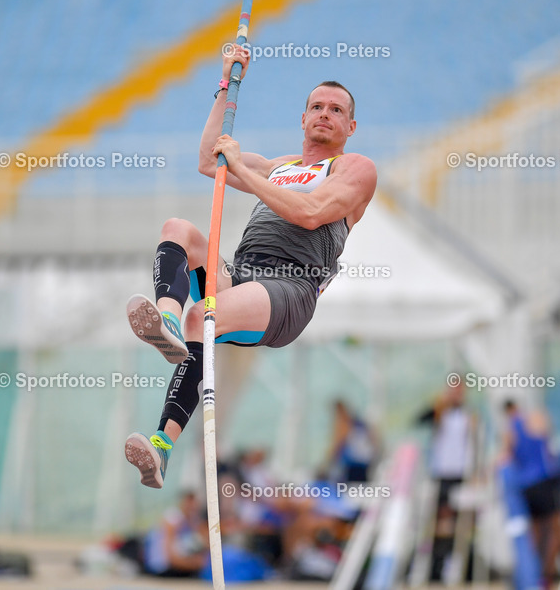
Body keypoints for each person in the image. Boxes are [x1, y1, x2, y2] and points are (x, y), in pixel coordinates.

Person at [124, 43, 377, 488]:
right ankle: (165, 320)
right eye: (316, 106)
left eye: (335, 110)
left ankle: (162, 445)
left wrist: (245, 168)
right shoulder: (279, 165)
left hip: (289, 289)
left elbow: (311, 213)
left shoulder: (353, 168)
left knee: (203, 317)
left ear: (350, 126)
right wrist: (227, 81)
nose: (324, 113)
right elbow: (209, 161)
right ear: (302, 118)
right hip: (242, 274)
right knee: (177, 228)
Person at [503, 399, 560, 587]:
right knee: (555, 529)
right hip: (545, 481)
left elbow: (508, 456)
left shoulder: (510, 428)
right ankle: (548, 573)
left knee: (536, 532)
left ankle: (536, 575)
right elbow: (548, 445)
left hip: (526, 486)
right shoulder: (534, 418)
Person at [416, 383, 474, 581]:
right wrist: (438, 405)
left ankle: (455, 564)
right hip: (441, 473)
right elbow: (419, 420)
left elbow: (473, 444)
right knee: (439, 520)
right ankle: (436, 565)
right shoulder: (440, 413)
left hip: (461, 473)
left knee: (459, 521)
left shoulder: (468, 415)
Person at [142, 490, 208, 578]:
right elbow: (171, 557)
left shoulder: (192, 519)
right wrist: (193, 563)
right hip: (162, 567)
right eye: (189, 504)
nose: (192, 507)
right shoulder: (173, 519)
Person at [324, 400, 380, 484]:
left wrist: (328, 461)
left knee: (349, 490)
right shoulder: (360, 424)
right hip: (364, 464)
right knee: (360, 489)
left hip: (351, 466)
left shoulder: (345, 424)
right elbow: (374, 441)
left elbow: (338, 444)